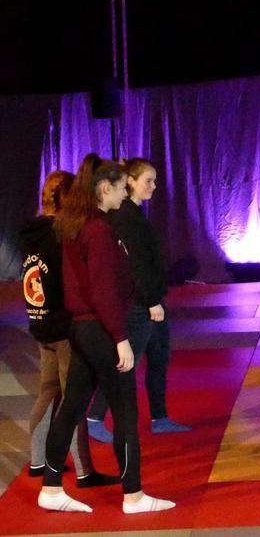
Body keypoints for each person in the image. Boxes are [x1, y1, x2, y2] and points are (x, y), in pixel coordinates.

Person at [39, 154, 174, 514]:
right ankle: (134, 495)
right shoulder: (97, 230)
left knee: (72, 406)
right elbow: (103, 290)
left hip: (83, 327)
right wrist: (120, 337)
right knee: (125, 410)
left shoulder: (77, 225)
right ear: (104, 189)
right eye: (119, 188)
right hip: (99, 328)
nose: (123, 194)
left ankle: (51, 487)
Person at [21, 171, 118, 487]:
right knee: (73, 397)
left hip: (40, 321)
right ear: (66, 197)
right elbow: (71, 280)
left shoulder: (31, 234)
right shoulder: (62, 235)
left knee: (48, 391)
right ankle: (84, 471)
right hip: (63, 326)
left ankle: (38, 460)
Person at [87, 158, 189, 442]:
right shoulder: (125, 217)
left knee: (159, 357)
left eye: (154, 181)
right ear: (130, 182)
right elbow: (135, 265)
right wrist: (151, 301)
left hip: (150, 298)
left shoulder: (133, 215)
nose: (154, 186)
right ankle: (95, 417)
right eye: (148, 181)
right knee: (128, 361)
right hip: (140, 303)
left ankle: (160, 417)